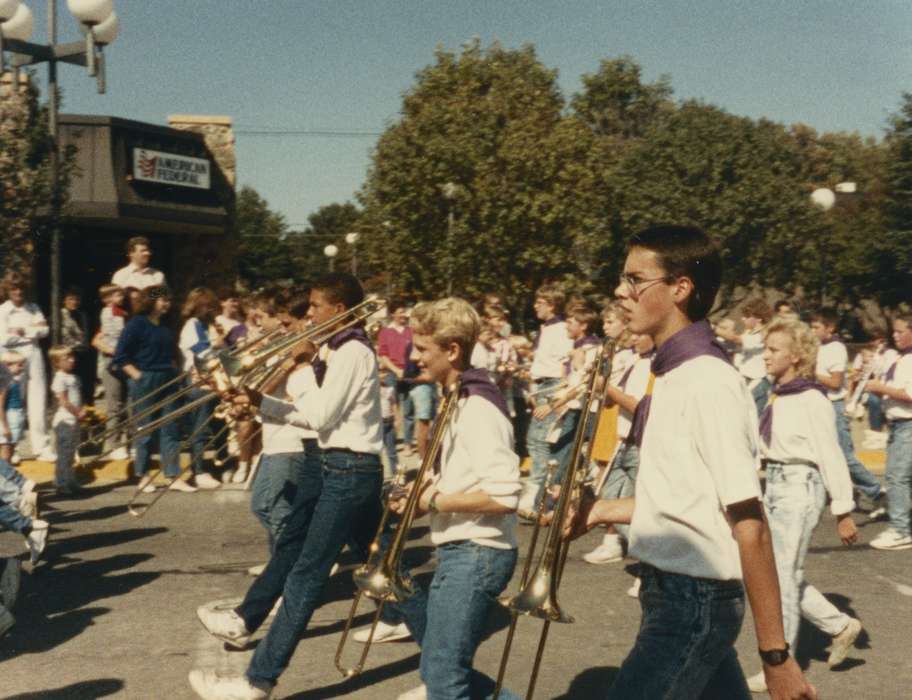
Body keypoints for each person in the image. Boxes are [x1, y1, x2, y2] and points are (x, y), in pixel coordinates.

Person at [564, 225, 815, 700]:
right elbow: (682, 501)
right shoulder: (674, 374)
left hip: (694, 599)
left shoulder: (709, 382)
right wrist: (597, 510)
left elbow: (749, 524)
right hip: (672, 592)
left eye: (636, 279)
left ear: (681, 288)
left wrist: (776, 658)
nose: (621, 291)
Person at [190, 272, 383, 700]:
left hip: (349, 468)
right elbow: (310, 414)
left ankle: (257, 682)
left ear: (337, 309)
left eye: (315, 307)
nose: (308, 314)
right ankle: (446, 668)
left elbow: (320, 416)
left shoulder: (351, 350)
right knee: (384, 569)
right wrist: (263, 402)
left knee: (304, 578)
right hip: (344, 465)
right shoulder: (337, 350)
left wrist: (297, 368)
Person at [379, 297, 522, 700]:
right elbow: (463, 472)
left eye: (423, 348)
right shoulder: (457, 397)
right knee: (439, 666)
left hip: (478, 552)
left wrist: (434, 503)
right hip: (462, 547)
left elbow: (506, 494)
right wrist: (418, 494)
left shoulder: (478, 407)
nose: (413, 355)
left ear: (452, 350)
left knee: (443, 675)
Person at [744, 319, 861, 693]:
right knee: (780, 574)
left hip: (800, 486)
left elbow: (831, 455)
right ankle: (839, 626)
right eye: (765, 348)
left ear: (795, 356)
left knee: (780, 579)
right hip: (773, 485)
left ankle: (780, 663)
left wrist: (843, 510)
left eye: (774, 350)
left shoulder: (811, 398)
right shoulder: (775, 392)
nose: (766, 355)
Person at [113, 285, 195, 494]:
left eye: (168, 299)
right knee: (145, 429)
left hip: (167, 377)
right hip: (145, 378)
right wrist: (137, 376)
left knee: (171, 427)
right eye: (161, 299)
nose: (166, 303)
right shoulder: (136, 324)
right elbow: (121, 356)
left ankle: (172, 475)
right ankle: (144, 476)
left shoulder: (166, 324)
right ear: (150, 301)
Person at [583, 331, 654, 568]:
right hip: (621, 439)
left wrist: (609, 390)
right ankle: (635, 550)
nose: (634, 339)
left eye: (640, 335)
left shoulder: (655, 365)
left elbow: (641, 408)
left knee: (643, 506)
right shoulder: (634, 360)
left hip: (639, 443)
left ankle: (650, 563)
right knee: (611, 497)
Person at [809, 309, 884, 510]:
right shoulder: (819, 347)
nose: (812, 330)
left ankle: (876, 491)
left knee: (843, 455)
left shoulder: (836, 348)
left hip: (834, 406)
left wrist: (811, 374)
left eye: (816, 327)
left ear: (830, 328)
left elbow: (835, 382)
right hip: (819, 405)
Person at [516, 284, 573, 518]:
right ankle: (538, 491)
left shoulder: (561, 329)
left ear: (551, 304)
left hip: (551, 387)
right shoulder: (546, 329)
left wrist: (556, 398)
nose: (535, 306)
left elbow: (564, 364)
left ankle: (536, 494)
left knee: (539, 441)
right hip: (540, 386)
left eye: (540, 302)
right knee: (536, 440)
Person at [864, 312, 912, 551]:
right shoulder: (901, 358)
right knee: (901, 477)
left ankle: (901, 530)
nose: (895, 336)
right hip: (897, 424)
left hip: (908, 424)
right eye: (894, 331)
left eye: (900, 331)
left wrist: (881, 388)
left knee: (897, 477)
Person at [0, 273, 54, 462]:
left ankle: (41, 446)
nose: (18, 292)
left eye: (21, 288)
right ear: (8, 290)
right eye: (14, 288)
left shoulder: (33, 308)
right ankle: (12, 447)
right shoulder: (3, 311)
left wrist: (21, 330)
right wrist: (32, 331)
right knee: (15, 402)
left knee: (38, 399)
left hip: (34, 354)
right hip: (13, 357)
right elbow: (3, 338)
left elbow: (45, 330)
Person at [178, 287, 226, 490]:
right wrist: (220, 349)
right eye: (207, 306)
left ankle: (207, 468)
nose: (211, 310)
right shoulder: (192, 325)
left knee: (212, 424)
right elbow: (199, 351)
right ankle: (199, 471)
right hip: (198, 378)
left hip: (211, 377)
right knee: (200, 426)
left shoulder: (205, 325)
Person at [92, 284, 129, 459]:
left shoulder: (123, 312)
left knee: (126, 403)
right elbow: (104, 338)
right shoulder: (111, 313)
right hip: (114, 360)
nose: (122, 297)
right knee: (115, 404)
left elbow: (160, 291)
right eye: (117, 295)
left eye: (122, 295)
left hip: (124, 359)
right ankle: (112, 444)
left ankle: (124, 441)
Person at [48, 345, 86, 496]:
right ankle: (60, 482)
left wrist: (82, 410)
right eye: (67, 358)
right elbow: (63, 401)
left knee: (71, 452)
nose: (72, 360)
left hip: (74, 419)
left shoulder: (74, 377)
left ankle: (70, 479)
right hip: (65, 420)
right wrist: (77, 412)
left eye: (72, 356)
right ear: (57, 362)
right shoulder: (59, 378)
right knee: (63, 453)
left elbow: (78, 397)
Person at [59, 287, 95, 407]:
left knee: (86, 387)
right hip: (66, 355)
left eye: (76, 299)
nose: (74, 302)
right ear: (64, 300)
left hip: (83, 355)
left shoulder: (83, 315)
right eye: (70, 299)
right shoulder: (59, 316)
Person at [0, 351, 27, 464]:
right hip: (9, 418)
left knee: (10, 450)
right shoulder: (6, 383)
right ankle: (5, 478)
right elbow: (1, 405)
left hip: (16, 416)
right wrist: (5, 427)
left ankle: (7, 476)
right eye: (19, 365)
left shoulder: (15, 381)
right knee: (6, 452)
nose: (22, 368)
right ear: (7, 366)